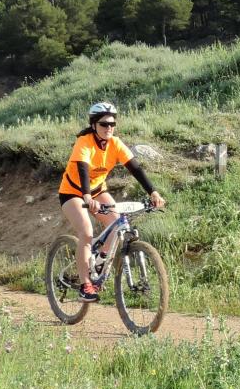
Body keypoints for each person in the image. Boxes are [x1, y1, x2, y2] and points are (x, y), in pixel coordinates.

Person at [58, 102, 166, 302]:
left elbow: (135, 168)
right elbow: (82, 169)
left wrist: (153, 192)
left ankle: (100, 261)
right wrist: (86, 196)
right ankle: (85, 286)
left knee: (117, 225)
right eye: (104, 124)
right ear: (93, 125)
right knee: (86, 232)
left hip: (98, 190)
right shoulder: (84, 142)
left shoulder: (115, 143)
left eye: (112, 124)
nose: (109, 128)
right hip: (73, 192)